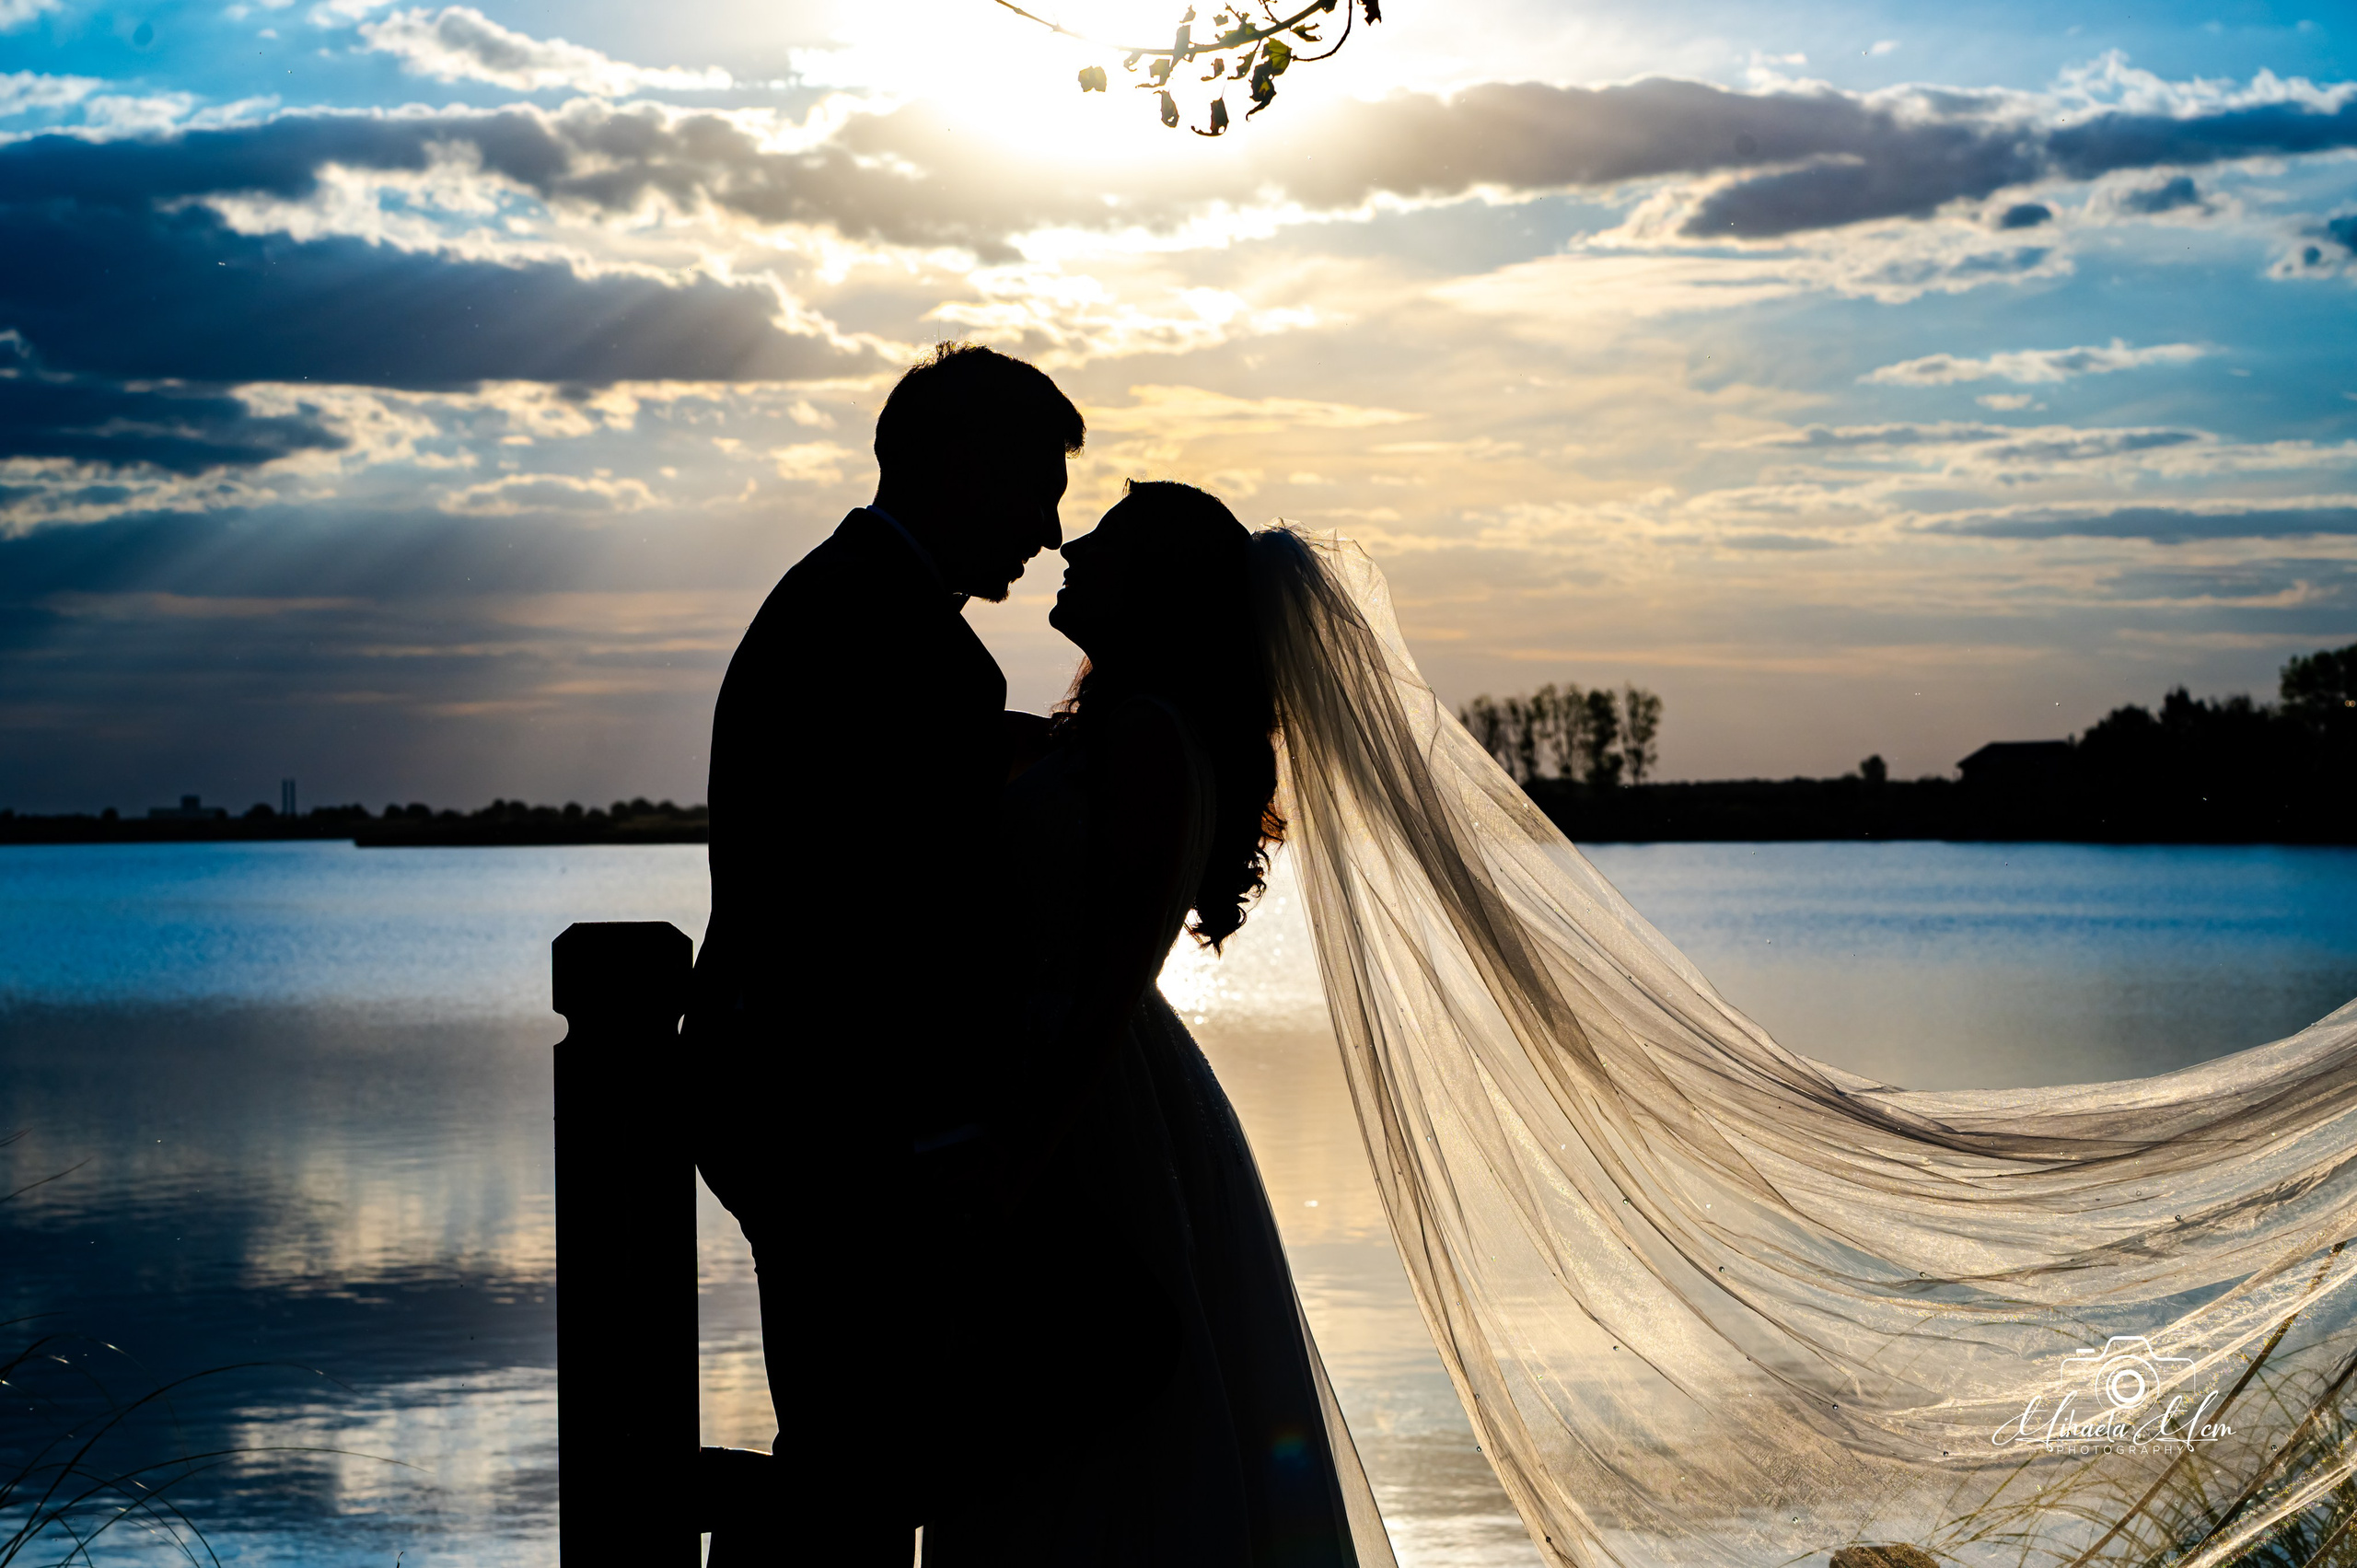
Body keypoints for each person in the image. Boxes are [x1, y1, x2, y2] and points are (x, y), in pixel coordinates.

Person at [920, 482, 1391, 1566]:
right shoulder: (1104, 735)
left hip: (1088, 1105)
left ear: (1160, 589)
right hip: (1069, 1083)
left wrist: (1013, 1159)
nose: (1072, 545)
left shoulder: (1148, 740)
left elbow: (1117, 978)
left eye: (1110, 541)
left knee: (1097, 1443)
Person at [684, 343, 1081, 1564]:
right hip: (844, 1125)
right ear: (962, 466)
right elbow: (866, 915)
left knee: (853, 1447)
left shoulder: (853, 603)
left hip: (808, 1110)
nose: (1052, 528)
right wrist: (937, 1133)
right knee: (862, 1458)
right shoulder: (897, 636)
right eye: (1037, 484)